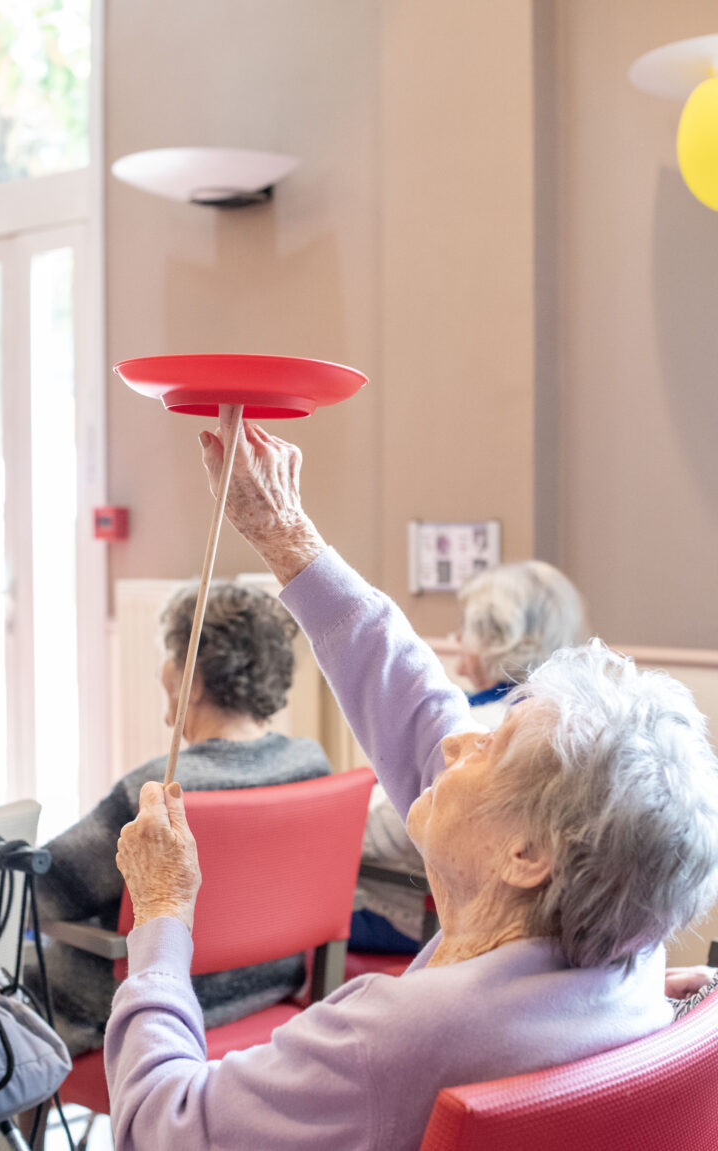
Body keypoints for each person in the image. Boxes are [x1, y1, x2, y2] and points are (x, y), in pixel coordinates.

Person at [104, 421, 718, 1151]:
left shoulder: (389, 1037)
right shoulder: (632, 954)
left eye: (491, 746)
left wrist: (162, 914)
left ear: (525, 855)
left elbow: (159, 1126)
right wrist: (283, 532)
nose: (458, 740)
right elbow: (424, 712)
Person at [32, 578, 330, 1055]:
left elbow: (38, 893)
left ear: (192, 680)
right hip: (266, 992)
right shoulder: (310, 765)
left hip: (142, 1013)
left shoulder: (159, 794)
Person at [352, 559, 587, 953]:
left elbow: (386, 834)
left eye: (465, 625)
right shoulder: (562, 721)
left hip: (418, 916)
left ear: (497, 637)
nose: (456, 636)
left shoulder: (481, 731)